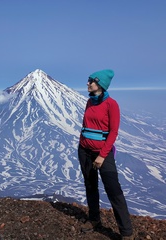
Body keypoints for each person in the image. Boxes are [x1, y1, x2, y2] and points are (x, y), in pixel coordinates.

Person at [78, 69, 133, 239]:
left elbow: (113, 131)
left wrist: (102, 155)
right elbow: (86, 125)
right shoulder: (89, 102)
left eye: (90, 81)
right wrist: (83, 145)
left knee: (113, 189)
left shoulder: (111, 104)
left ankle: (126, 232)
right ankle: (94, 219)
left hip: (103, 153)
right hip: (84, 151)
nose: (87, 83)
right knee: (90, 186)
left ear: (99, 84)